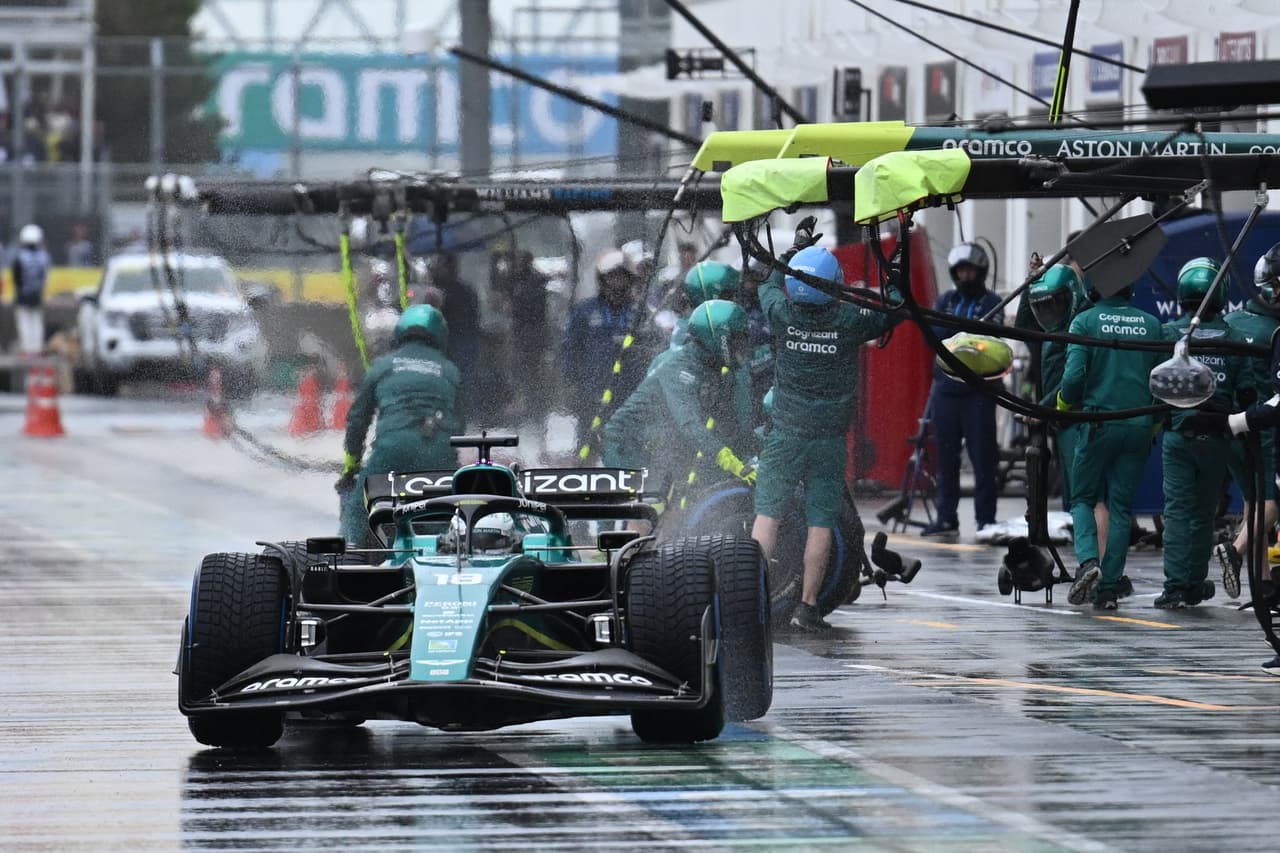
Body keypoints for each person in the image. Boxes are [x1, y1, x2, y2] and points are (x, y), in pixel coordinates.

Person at [750, 241, 901, 632]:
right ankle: (808, 608)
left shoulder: (780, 313)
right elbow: (894, 309)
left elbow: (768, 283)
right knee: (820, 522)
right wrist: (895, 272)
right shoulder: (850, 320)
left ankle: (750, 602)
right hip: (830, 440)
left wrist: (791, 251)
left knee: (767, 516)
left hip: (785, 436)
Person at [1057, 280, 1163, 610]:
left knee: (1083, 498)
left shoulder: (1085, 321)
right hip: (1139, 424)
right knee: (1121, 507)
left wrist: (1062, 405)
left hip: (1097, 422)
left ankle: (1089, 563)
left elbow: (1073, 380)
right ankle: (1109, 589)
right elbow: (1161, 381)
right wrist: (1152, 426)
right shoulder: (1152, 324)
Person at [602, 299, 756, 505]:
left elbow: (728, 423)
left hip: (665, 442)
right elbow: (689, 424)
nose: (741, 348)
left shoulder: (715, 368)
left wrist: (760, 451)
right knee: (645, 508)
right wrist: (736, 466)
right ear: (716, 338)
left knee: (680, 508)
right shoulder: (679, 368)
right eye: (735, 341)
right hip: (628, 442)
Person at [1156, 258, 1245, 609]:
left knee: (1177, 510)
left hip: (1179, 433)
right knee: (1204, 512)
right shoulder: (1235, 336)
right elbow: (1248, 388)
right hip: (1219, 435)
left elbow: (1155, 383)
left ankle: (1176, 586)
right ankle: (1194, 583)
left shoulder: (1169, 334)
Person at [335, 304, 462, 548]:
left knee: (358, 512)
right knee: (443, 516)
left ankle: (349, 554)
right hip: (436, 453)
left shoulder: (382, 367)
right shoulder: (450, 371)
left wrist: (352, 464)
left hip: (391, 451)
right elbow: (458, 427)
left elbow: (357, 420)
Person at [922, 241, 1004, 539]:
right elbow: (936, 335)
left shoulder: (992, 302)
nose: (967, 276)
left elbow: (987, 340)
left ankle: (986, 520)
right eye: (962, 271)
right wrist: (965, 335)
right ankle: (946, 517)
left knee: (983, 459)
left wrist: (961, 336)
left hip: (979, 392)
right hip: (946, 391)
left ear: (981, 271)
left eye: (971, 270)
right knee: (946, 459)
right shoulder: (944, 300)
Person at [1214, 244, 1280, 599]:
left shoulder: (1230, 323)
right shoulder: (1276, 331)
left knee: (1252, 502)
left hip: (1231, 427)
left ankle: (1263, 587)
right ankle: (1236, 551)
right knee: (1272, 502)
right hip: (1264, 427)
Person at [561, 248, 653, 457]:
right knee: (588, 441)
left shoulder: (639, 312)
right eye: (612, 277)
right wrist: (570, 382)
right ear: (602, 280)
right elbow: (570, 348)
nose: (617, 283)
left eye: (621, 277)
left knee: (625, 442)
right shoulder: (585, 311)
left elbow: (653, 348)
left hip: (628, 390)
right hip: (591, 390)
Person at [9, 224, 50, 357]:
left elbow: (15, 278)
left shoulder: (19, 257)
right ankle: (36, 350)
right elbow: (45, 277)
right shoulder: (44, 257)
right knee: (37, 322)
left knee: (24, 322)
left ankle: (27, 350)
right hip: (37, 295)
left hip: (22, 296)